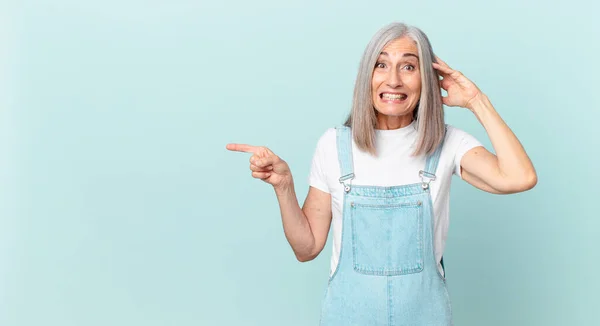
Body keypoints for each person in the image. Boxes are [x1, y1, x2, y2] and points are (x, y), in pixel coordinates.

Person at [226, 22, 536, 326]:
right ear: (367, 77)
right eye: (381, 65)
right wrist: (284, 186)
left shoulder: (448, 143)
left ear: (427, 78)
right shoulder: (334, 146)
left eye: (409, 67)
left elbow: (520, 177)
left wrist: (475, 101)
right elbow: (306, 249)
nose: (393, 80)